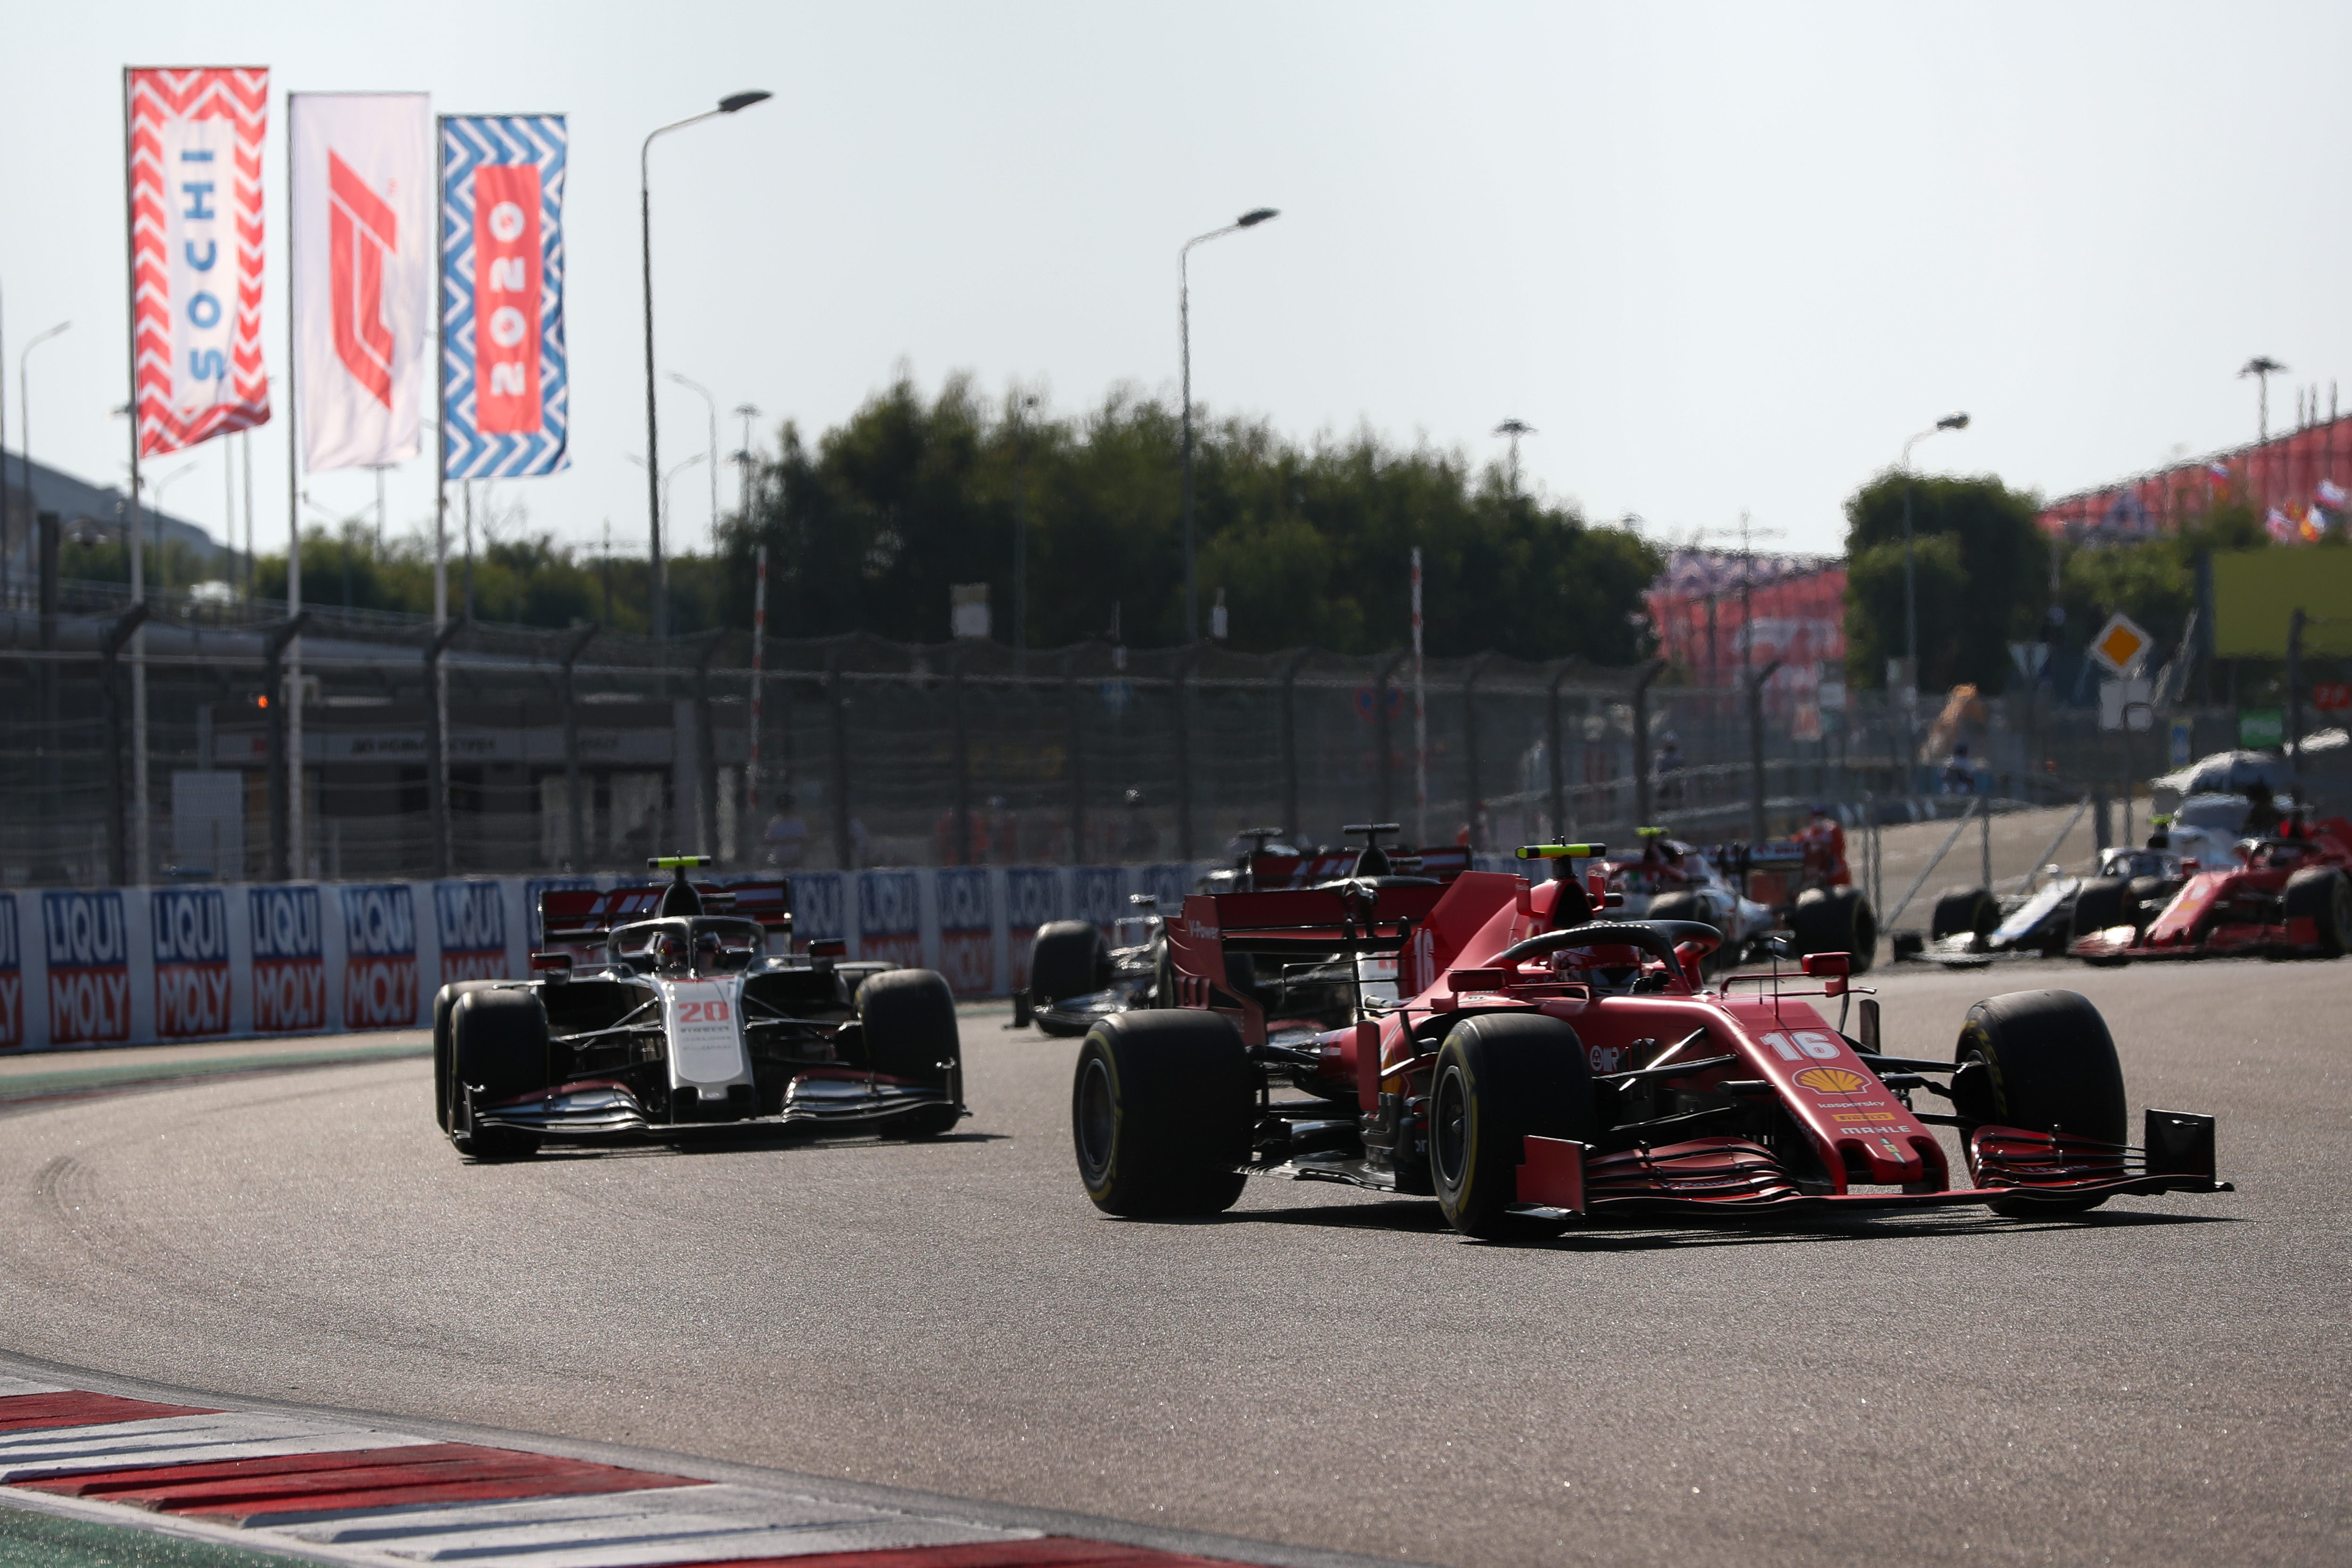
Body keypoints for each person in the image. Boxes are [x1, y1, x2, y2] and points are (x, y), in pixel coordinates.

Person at [762, 794, 809, 870]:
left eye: (787, 807)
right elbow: (768, 842)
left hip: (796, 860)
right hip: (778, 861)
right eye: (783, 807)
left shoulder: (799, 823)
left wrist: (793, 840)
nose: (786, 810)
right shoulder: (774, 824)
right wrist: (782, 842)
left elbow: (805, 840)